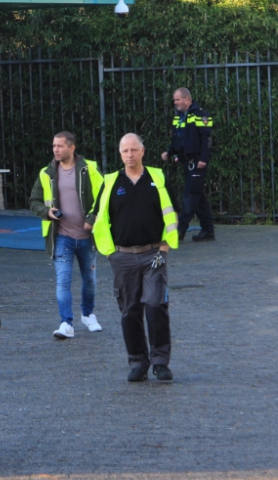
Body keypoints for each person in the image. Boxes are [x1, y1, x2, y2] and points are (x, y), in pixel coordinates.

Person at [93, 133, 179, 382]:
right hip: (123, 257)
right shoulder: (110, 182)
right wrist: (110, 253)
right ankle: (138, 362)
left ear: (143, 151)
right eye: (125, 151)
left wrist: (164, 248)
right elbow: (99, 219)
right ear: (120, 154)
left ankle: (160, 361)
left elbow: (172, 214)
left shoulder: (158, 178)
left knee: (155, 305)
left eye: (134, 150)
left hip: (154, 253)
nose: (129, 155)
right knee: (130, 311)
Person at [28, 131, 104, 339]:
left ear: (72, 147)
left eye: (60, 146)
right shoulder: (47, 173)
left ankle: (88, 314)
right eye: (54, 146)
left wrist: (92, 217)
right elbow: (33, 201)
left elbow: (103, 197)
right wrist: (47, 212)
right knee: (63, 281)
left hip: (88, 237)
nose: (56, 150)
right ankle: (66, 323)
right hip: (61, 237)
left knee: (90, 280)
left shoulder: (90, 169)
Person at [162, 88, 215, 242]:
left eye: (177, 99)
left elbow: (207, 139)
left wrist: (204, 158)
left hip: (198, 161)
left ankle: (179, 231)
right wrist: (171, 153)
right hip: (187, 162)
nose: (175, 102)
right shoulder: (179, 117)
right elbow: (178, 140)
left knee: (190, 196)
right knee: (198, 197)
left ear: (186, 99)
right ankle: (208, 230)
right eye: (175, 100)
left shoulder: (200, 115)